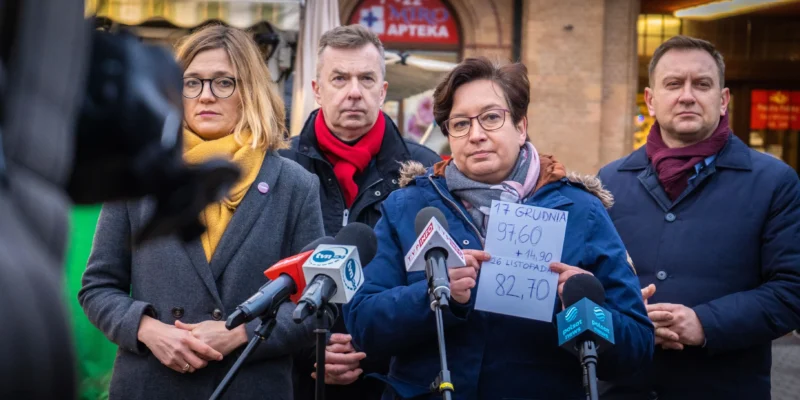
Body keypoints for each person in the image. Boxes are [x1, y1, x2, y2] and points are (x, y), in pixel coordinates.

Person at [342, 57, 654, 399]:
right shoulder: (410, 206)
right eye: (460, 124)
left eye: (491, 117)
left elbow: (636, 348)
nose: (476, 135)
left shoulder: (581, 210)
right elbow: (363, 324)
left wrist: (576, 311)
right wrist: (435, 295)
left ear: (521, 126)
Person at [79, 25, 325, 400]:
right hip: (151, 385)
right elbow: (98, 287)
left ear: (250, 91)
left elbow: (317, 304)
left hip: (250, 387)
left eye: (223, 82)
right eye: (191, 82)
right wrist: (147, 329)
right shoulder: (136, 174)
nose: (206, 96)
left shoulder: (295, 185)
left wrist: (239, 333)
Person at [598, 36, 800, 400]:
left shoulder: (774, 182)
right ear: (651, 99)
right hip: (625, 389)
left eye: (702, 84)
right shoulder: (609, 182)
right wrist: (625, 320)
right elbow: (588, 286)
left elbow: (791, 291)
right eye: (673, 84)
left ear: (722, 101)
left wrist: (705, 323)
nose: (687, 95)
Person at [280, 24, 440, 400]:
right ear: (317, 90)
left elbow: (427, 282)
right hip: (295, 379)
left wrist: (371, 351)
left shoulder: (424, 174)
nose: (354, 92)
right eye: (339, 78)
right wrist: (309, 351)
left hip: (388, 380)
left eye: (366, 78)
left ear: (382, 91)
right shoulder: (280, 168)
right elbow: (263, 269)